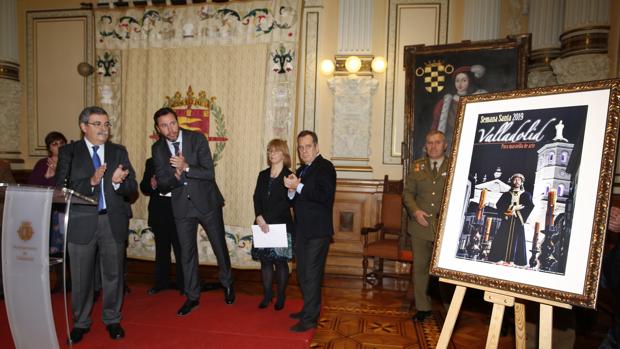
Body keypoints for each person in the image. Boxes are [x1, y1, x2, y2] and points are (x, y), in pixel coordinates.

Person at [55, 106, 137, 343]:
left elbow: (132, 188)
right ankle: (81, 323)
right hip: (81, 222)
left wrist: (117, 184)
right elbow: (61, 187)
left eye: (106, 124)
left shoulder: (118, 151)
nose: (103, 129)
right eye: (97, 124)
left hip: (112, 221)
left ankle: (112, 319)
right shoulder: (69, 152)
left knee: (113, 275)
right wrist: (91, 182)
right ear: (83, 127)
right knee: (81, 277)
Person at [151, 107, 234, 317]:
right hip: (181, 207)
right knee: (186, 253)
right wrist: (176, 176)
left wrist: (186, 167)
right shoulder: (158, 149)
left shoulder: (196, 139)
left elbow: (209, 173)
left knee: (219, 245)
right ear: (158, 129)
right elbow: (161, 183)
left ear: (177, 121)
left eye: (172, 123)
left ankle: (228, 284)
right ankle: (192, 296)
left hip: (206, 202)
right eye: (164, 126)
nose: (170, 129)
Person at [284, 130, 336, 332]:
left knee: (311, 275)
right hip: (302, 231)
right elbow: (296, 199)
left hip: (318, 231)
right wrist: (291, 190)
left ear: (316, 147)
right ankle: (309, 309)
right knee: (303, 274)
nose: (304, 151)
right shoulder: (302, 169)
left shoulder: (325, 167)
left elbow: (324, 196)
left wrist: (299, 186)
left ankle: (309, 319)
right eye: (301, 147)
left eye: (308, 146)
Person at [403, 130, 449, 323]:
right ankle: (423, 308)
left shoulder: (454, 164)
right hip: (420, 226)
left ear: (445, 145)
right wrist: (415, 212)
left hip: (444, 227)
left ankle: (450, 309)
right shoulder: (417, 167)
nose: (433, 146)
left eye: (437, 143)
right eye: (430, 143)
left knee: (446, 271)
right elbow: (407, 194)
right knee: (420, 268)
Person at [252, 139, 294, 311]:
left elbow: (285, 203)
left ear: (283, 154)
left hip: (281, 225)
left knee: (281, 263)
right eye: (269, 151)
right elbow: (256, 198)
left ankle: (281, 295)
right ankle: (268, 294)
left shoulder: (289, 176)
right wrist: (259, 217)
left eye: (275, 151)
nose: (271, 154)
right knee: (266, 262)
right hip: (262, 224)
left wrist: (265, 218)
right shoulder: (263, 174)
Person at [140, 157, 184, 295]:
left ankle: (185, 284)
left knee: (181, 250)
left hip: (179, 211)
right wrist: (151, 184)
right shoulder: (152, 162)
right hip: (159, 211)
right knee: (161, 250)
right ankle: (161, 283)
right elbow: (144, 187)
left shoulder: (182, 161)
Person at [431, 65, 487, 150]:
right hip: (449, 144)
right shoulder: (446, 102)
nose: (460, 84)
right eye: (457, 81)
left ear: (470, 81)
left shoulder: (477, 100)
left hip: (471, 142)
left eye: (464, 80)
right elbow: (435, 124)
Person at [487, 173, 534, 266]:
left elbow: (530, 206)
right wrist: (510, 209)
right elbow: (499, 205)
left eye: (518, 180)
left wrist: (518, 212)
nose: (516, 182)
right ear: (512, 181)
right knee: (502, 238)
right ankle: (500, 258)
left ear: (521, 182)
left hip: (518, 220)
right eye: (515, 180)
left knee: (516, 240)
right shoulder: (506, 194)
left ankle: (513, 260)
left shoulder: (526, 195)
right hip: (507, 220)